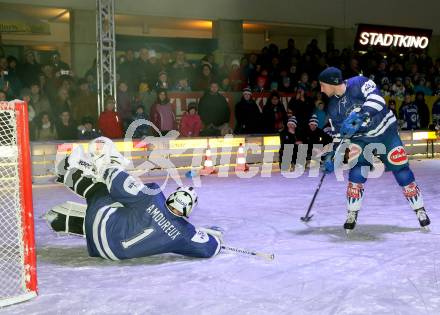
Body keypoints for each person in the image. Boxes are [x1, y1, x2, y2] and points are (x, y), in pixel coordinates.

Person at [49, 137, 221, 260]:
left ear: (173, 196)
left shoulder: (153, 198)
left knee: (104, 190)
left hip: (104, 223)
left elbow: (118, 183)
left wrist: (106, 165)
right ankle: (69, 219)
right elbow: (209, 249)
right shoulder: (183, 233)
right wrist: (214, 240)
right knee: (126, 214)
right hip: (111, 252)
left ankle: (66, 171)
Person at [318, 66, 430, 232]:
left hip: (386, 132)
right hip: (362, 140)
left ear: (332, 82)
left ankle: (420, 210)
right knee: (357, 171)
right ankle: (352, 213)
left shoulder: (359, 82)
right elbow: (338, 136)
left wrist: (361, 115)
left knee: (401, 170)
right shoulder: (333, 107)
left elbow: (378, 100)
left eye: (322, 85)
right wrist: (334, 155)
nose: (321, 89)